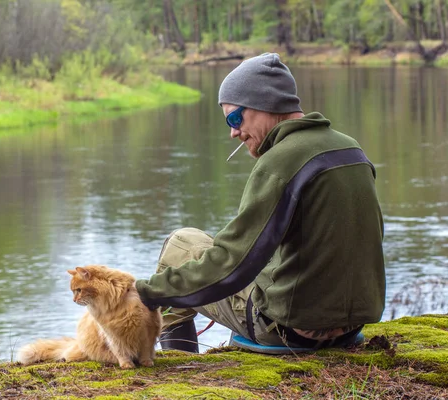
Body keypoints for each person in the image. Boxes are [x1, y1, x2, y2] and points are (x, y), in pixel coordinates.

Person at [134, 53, 386, 353]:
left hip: (291, 332)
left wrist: (147, 293)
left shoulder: (279, 162)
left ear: (264, 104)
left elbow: (231, 265)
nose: (233, 132)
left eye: (235, 118)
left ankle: (181, 363)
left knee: (181, 244)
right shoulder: (350, 149)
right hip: (351, 328)